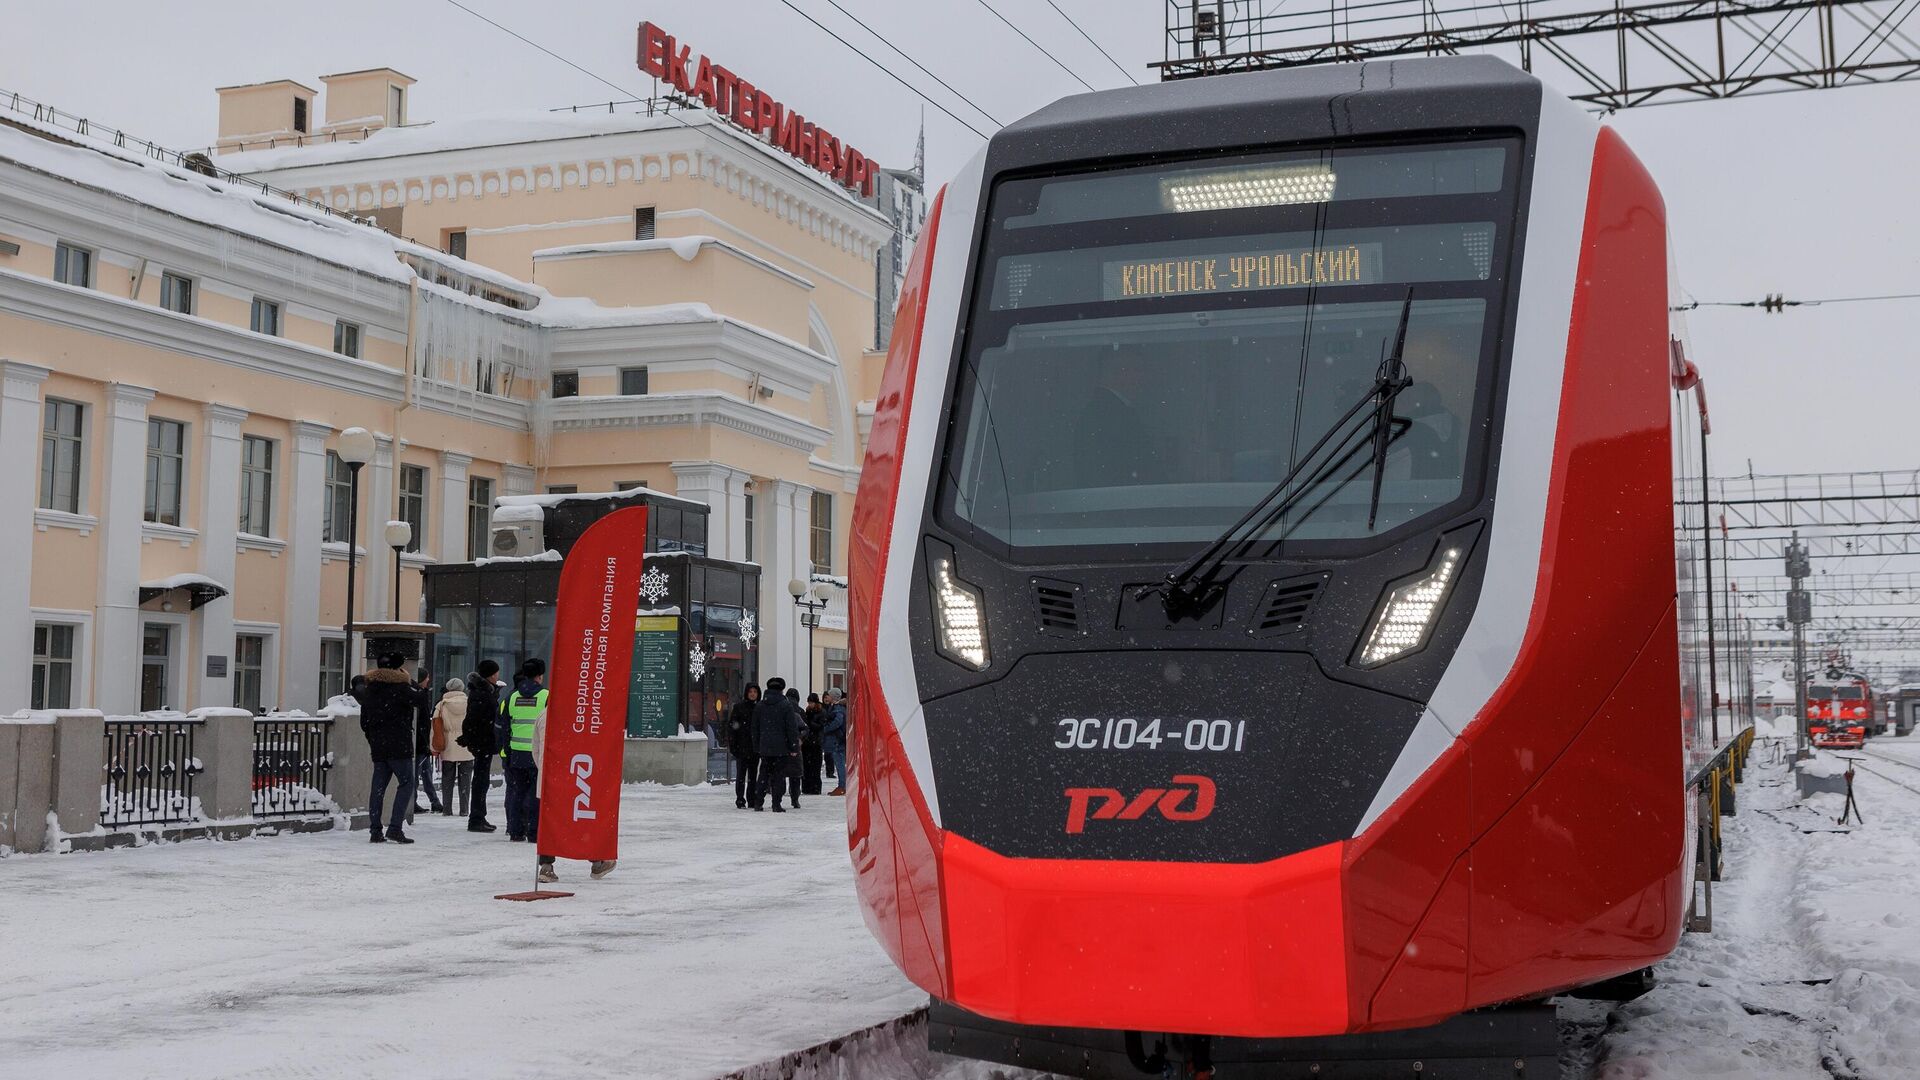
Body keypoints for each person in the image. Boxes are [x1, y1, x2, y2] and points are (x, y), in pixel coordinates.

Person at [360, 652, 425, 844]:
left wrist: (373, 738)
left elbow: (364, 721)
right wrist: (411, 682)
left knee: (378, 787)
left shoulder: (370, 689)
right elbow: (421, 701)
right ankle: (395, 828)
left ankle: (375, 830)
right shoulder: (401, 688)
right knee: (406, 783)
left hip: (379, 746)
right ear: (399, 668)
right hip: (399, 745)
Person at [502, 660, 546, 843]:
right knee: (536, 793)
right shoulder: (545, 696)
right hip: (537, 753)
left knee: (517, 792)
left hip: (516, 752)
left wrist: (506, 751)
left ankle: (515, 830)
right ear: (540, 676)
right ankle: (534, 831)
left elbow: (505, 727)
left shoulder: (511, 697)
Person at [459, 660, 502, 833]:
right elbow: (474, 718)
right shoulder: (482, 693)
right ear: (491, 675)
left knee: (481, 780)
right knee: (480, 780)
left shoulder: (483, 692)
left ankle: (478, 816)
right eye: (496, 673)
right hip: (483, 742)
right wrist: (469, 738)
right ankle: (476, 817)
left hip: (483, 741)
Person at [754, 677, 804, 812]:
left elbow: (755, 728)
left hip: (765, 746)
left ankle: (758, 802)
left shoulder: (760, 705)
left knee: (763, 774)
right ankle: (776, 803)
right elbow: (791, 728)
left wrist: (757, 745)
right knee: (779, 776)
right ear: (781, 690)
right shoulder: (785, 705)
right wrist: (793, 746)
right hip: (781, 748)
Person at [433, 678, 473, 818]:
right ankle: (464, 809)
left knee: (447, 779)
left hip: (448, 745)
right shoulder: (470, 703)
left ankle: (447, 809)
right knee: (465, 780)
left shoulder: (441, 705)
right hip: (466, 745)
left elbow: (435, 727)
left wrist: (434, 746)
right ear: (462, 689)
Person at [412, 668, 444, 818]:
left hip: (422, 741)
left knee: (426, 772)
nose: (428, 680)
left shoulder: (420, 694)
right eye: (427, 678)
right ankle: (415, 802)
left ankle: (434, 801)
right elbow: (421, 722)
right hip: (421, 742)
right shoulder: (419, 696)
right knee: (419, 773)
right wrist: (425, 741)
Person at [728, 683, 761, 809]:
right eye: (750, 691)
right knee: (741, 775)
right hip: (742, 747)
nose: (753, 694)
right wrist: (733, 745)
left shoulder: (760, 707)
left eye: (755, 692)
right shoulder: (739, 707)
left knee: (753, 776)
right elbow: (732, 728)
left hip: (754, 748)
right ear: (747, 693)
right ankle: (740, 799)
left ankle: (751, 798)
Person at [822, 690, 848, 797]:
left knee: (840, 763)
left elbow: (838, 722)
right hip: (839, 739)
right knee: (839, 763)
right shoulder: (839, 707)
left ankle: (842, 786)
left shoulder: (838, 709)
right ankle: (842, 785)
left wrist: (827, 728)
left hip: (837, 740)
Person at [801, 693, 826, 796]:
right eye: (809, 702)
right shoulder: (807, 711)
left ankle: (815, 788)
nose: (810, 704)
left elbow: (821, 726)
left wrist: (810, 723)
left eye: (811, 702)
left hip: (816, 743)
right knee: (807, 767)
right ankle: (807, 787)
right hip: (807, 743)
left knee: (815, 767)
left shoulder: (821, 712)